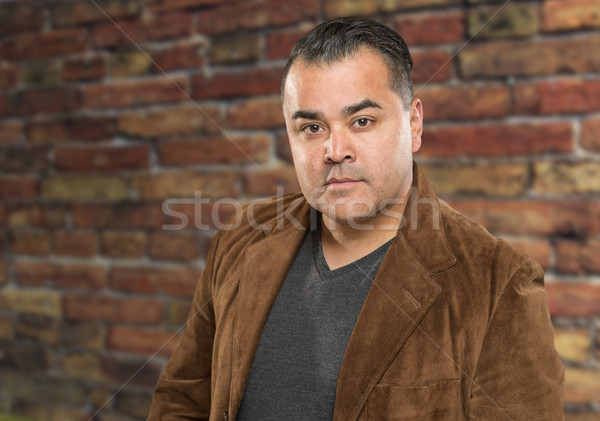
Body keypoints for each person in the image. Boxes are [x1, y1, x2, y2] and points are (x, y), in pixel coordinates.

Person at [148, 17, 565, 420]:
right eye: (311, 127)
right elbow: (182, 401)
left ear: (414, 124)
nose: (335, 149)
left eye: (362, 121)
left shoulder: (498, 285)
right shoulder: (241, 239)